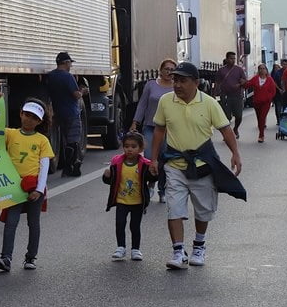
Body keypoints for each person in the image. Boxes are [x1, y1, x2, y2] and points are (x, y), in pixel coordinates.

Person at [148, 62, 245, 270]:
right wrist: (154, 159)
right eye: (175, 80)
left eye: (182, 81)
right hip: (174, 164)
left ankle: (199, 246)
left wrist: (235, 154)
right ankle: (178, 251)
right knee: (174, 208)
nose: (177, 85)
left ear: (196, 82)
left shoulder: (209, 103)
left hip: (203, 164)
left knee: (203, 210)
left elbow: (225, 130)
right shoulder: (166, 101)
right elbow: (159, 130)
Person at [0, 98, 55, 272]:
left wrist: (39, 190)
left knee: (33, 223)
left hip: (34, 187)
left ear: (39, 121)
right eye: (27, 115)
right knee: (10, 222)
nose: (29, 119)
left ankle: (31, 257)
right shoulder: (10, 134)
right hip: (15, 187)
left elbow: (44, 167)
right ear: (20, 114)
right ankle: (6, 258)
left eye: (34, 118)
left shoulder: (42, 140)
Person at [103, 132, 157, 261]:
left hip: (138, 202)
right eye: (126, 146)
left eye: (133, 146)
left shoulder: (145, 164)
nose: (129, 149)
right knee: (120, 224)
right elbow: (111, 181)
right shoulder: (117, 162)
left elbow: (152, 178)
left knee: (135, 226)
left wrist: (153, 173)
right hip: (122, 201)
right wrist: (107, 176)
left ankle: (135, 249)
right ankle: (120, 247)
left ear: (141, 148)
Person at [130, 58, 176, 202]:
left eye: (172, 70)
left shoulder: (176, 87)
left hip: (169, 130)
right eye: (166, 69)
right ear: (160, 70)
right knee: (150, 157)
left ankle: (162, 190)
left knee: (164, 159)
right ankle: (150, 184)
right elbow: (142, 104)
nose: (169, 72)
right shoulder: (151, 85)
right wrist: (135, 122)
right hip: (150, 127)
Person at [47, 52, 88, 177]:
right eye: (70, 63)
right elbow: (76, 95)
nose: (71, 66)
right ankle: (70, 167)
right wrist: (82, 91)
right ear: (65, 63)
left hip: (59, 113)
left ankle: (68, 166)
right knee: (73, 141)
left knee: (65, 140)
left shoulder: (51, 76)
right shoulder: (68, 77)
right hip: (72, 113)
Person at [214, 51, 247, 139]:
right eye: (231, 58)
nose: (233, 60)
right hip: (225, 96)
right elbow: (217, 83)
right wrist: (214, 94)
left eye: (234, 58)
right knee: (226, 117)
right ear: (227, 59)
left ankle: (235, 129)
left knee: (239, 116)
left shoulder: (239, 70)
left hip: (237, 96)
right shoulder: (221, 70)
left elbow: (244, 80)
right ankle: (227, 135)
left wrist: (240, 84)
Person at [245, 63, 277, 143]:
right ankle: (261, 131)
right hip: (257, 102)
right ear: (258, 70)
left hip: (266, 103)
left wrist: (268, 98)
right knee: (259, 119)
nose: (262, 70)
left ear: (266, 70)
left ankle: (261, 135)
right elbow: (247, 85)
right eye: (260, 69)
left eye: (263, 69)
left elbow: (273, 91)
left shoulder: (270, 79)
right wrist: (242, 83)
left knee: (262, 117)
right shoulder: (255, 78)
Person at [271, 59, 287, 124]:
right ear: (281, 64)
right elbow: (274, 82)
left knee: (286, 108)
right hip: (279, 93)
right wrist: (279, 89)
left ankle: (286, 120)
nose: (285, 66)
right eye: (284, 64)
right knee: (278, 108)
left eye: (286, 64)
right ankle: (279, 120)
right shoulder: (278, 73)